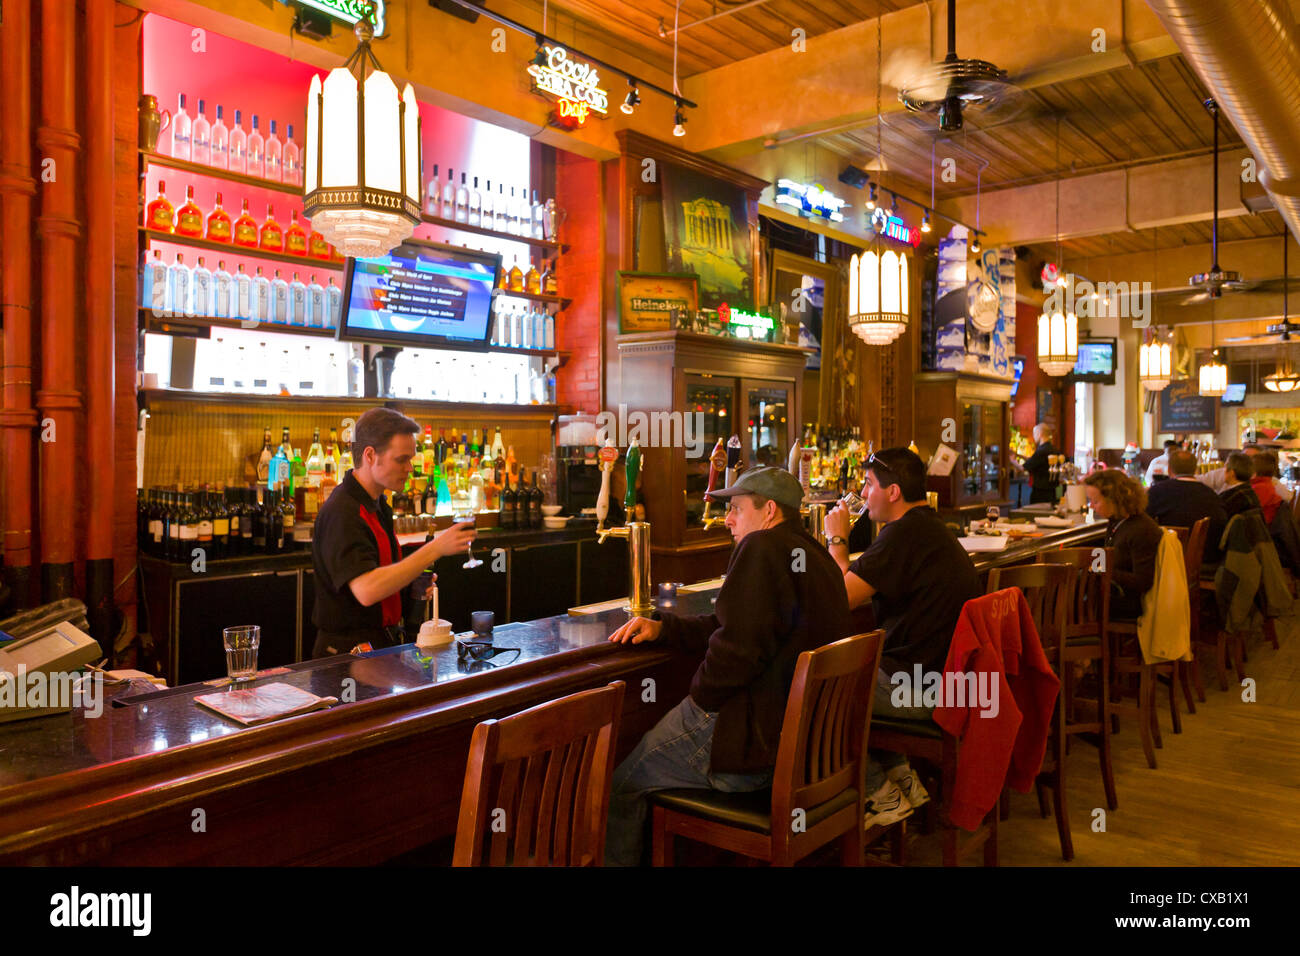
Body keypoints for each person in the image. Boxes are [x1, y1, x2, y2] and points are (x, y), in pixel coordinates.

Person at [603, 466, 853, 866]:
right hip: (811, 755)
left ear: (769, 510)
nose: (727, 519)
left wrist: (699, 702)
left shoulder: (761, 549)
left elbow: (734, 656)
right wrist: (663, 627)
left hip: (754, 755)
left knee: (621, 785)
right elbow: (734, 626)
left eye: (736, 508)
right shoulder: (816, 554)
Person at [824, 447, 981, 826]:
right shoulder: (925, 525)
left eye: (868, 484)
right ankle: (901, 777)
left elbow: (839, 598)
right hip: (949, 682)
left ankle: (879, 792)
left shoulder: (903, 534)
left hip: (923, 689)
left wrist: (836, 538)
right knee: (846, 682)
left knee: (816, 695)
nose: (863, 494)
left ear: (892, 492)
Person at [310, 407, 476, 658]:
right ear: (370, 455)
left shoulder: (377, 504)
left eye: (411, 459)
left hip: (376, 645)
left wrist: (408, 586)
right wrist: (434, 549)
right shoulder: (343, 511)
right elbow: (367, 590)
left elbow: (380, 575)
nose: (410, 468)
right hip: (347, 655)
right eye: (401, 459)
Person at [1083, 470, 1162, 621]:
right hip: (1113, 591)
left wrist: (1102, 571)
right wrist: (1092, 565)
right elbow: (1107, 555)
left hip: (1129, 601)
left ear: (1114, 500)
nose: (1091, 506)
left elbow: (1143, 582)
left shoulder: (1141, 529)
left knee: (1063, 597)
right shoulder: (1117, 521)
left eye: (1096, 501)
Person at [1145, 449, 1228, 563]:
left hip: (1169, 559)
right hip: (1208, 558)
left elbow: (1144, 522)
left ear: (1169, 470)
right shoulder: (1212, 494)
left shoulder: (1157, 492)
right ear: (1195, 470)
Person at [1200, 442, 1294, 501]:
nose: (1246, 462)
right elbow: (1198, 481)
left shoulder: (1266, 483)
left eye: (1251, 459)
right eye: (1243, 458)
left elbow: (1288, 497)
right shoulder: (1223, 473)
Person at [1021, 423, 1060, 504]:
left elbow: (1023, 468)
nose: (1034, 436)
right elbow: (1035, 460)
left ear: (1040, 434)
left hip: (1040, 493)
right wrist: (1019, 455)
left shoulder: (1041, 451)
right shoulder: (1053, 449)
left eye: (1034, 433)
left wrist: (1010, 460)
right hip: (1053, 492)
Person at [1219, 452, 1263, 520]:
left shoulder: (1229, 498)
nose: (1223, 471)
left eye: (1225, 468)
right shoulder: (1250, 492)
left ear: (1231, 473)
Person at [1250, 451, 1286, 525]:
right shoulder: (1266, 484)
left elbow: (1249, 512)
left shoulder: (1260, 488)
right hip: (1262, 527)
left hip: (1260, 529)